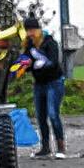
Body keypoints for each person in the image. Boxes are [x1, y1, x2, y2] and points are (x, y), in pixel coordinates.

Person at [23, 17, 66, 159]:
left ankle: (61, 147)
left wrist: (36, 64)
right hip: (39, 84)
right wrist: (24, 66)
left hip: (54, 82)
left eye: (32, 30)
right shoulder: (29, 46)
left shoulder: (50, 43)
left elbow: (53, 62)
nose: (30, 33)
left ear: (39, 29)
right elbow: (26, 64)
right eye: (27, 30)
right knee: (40, 117)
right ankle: (45, 147)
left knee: (53, 114)